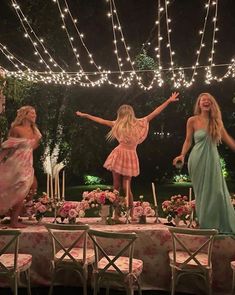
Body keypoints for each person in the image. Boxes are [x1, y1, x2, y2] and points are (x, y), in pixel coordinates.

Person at [76, 92, 179, 219]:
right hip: (124, 155)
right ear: (131, 113)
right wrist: (168, 101)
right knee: (122, 186)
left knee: (120, 186)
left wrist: (86, 115)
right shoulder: (130, 123)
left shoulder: (128, 123)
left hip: (124, 155)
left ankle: (123, 214)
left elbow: (101, 121)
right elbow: (155, 112)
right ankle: (120, 214)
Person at [173, 92, 235, 234]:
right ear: (199, 104)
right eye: (203, 100)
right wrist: (182, 155)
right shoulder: (192, 120)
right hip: (197, 159)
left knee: (218, 192)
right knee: (202, 193)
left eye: (208, 100)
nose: (206, 102)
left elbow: (227, 139)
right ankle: (206, 226)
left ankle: (218, 225)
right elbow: (188, 141)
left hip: (212, 159)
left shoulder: (217, 122)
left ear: (212, 104)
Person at [0, 106, 41, 227]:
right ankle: (13, 221)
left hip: (28, 163)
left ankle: (17, 214)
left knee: (32, 187)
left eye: (35, 113)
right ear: (24, 115)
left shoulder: (35, 132)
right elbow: (7, 147)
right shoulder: (16, 129)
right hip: (16, 163)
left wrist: (30, 145)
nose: (34, 115)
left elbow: (33, 147)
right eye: (32, 113)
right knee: (21, 189)